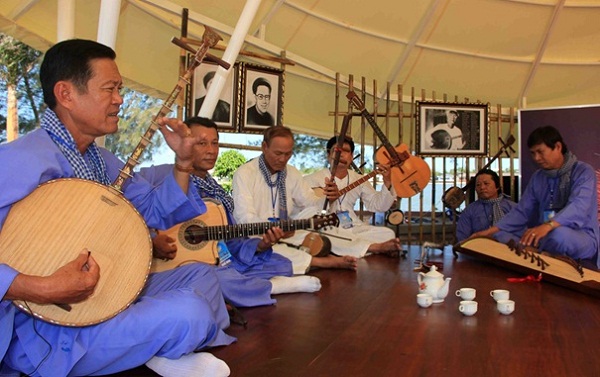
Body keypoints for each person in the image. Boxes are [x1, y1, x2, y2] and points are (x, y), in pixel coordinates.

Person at [0, 39, 234, 377]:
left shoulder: (103, 161)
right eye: (110, 89)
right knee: (190, 311)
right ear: (66, 94)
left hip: (106, 290)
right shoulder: (20, 159)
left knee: (202, 274)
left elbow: (155, 210)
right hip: (46, 324)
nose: (120, 99)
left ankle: (155, 347)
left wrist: (183, 164)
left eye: (120, 89)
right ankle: (161, 345)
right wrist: (40, 287)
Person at [142, 117, 322, 307]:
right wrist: (152, 238)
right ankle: (268, 288)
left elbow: (231, 241)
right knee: (210, 277)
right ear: (182, 143)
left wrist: (261, 245)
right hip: (176, 265)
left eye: (214, 143)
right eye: (201, 143)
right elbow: (128, 206)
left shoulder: (216, 192)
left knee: (280, 263)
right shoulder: (159, 175)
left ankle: (240, 290)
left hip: (220, 258)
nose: (211, 151)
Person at [232, 126, 358, 273]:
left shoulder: (292, 173)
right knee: (270, 253)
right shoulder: (245, 173)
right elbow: (244, 217)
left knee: (321, 224)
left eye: (288, 154)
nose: (282, 159)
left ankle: (306, 252)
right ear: (264, 147)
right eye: (278, 153)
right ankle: (322, 261)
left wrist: (329, 199)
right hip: (257, 237)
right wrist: (274, 230)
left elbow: (311, 204)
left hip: (288, 234)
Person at [472, 126, 599, 269]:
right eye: (533, 153)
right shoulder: (538, 177)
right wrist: (488, 232)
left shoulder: (583, 171)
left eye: (540, 152)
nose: (536, 158)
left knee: (559, 235)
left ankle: (539, 254)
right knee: (500, 236)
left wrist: (548, 226)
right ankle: (542, 254)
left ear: (557, 147)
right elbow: (521, 212)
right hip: (544, 236)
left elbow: (578, 207)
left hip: (579, 236)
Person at [303, 135, 402, 258]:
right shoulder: (309, 180)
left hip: (353, 227)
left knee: (388, 233)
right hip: (329, 227)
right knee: (323, 235)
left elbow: (377, 205)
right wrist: (328, 200)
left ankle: (354, 248)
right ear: (329, 154)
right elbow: (306, 211)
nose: (341, 155)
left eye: (346, 151)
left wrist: (387, 180)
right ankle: (373, 248)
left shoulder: (359, 179)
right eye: (337, 151)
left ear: (351, 156)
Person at [455, 169, 517, 242]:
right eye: (478, 185)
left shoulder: (513, 208)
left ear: (497, 186)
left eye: (486, 183)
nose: (482, 187)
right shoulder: (469, 210)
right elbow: (462, 239)